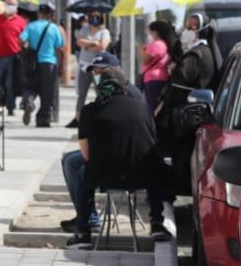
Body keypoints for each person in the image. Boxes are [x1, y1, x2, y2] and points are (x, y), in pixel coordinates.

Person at [65, 68, 174, 249]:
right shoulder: (142, 107)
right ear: (125, 88)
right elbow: (151, 142)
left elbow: (86, 155)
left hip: (104, 176)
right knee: (154, 166)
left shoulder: (89, 111)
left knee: (81, 173)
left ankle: (83, 233)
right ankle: (156, 223)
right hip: (142, 176)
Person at [160, 13, 219, 195]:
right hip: (189, 113)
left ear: (201, 31)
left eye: (192, 28)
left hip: (187, 116)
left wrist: (174, 68)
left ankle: (176, 190)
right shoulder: (195, 52)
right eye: (186, 26)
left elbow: (180, 79)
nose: (186, 31)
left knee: (181, 156)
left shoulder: (197, 54)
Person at [18, 4, 65, 128]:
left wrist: (26, 49)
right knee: (47, 92)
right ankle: (43, 119)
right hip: (49, 63)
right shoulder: (54, 28)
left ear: (38, 14)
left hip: (32, 63)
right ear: (50, 15)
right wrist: (61, 67)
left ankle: (29, 100)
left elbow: (21, 40)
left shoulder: (31, 26)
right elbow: (60, 48)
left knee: (30, 86)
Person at [66, 13, 111, 127]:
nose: (94, 21)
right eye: (92, 18)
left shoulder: (104, 32)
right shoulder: (84, 30)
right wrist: (93, 43)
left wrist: (87, 46)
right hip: (84, 67)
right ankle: (78, 118)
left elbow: (102, 46)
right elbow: (79, 42)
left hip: (97, 68)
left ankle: (102, 118)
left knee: (100, 93)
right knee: (82, 94)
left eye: (97, 18)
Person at [0, 0, 26, 116]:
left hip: (14, 57)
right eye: (8, 4)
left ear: (17, 8)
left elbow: (24, 39)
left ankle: (11, 107)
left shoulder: (21, 21)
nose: (10, 6)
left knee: (11, 84)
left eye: (13, 5)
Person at [140, 19, 179, 115]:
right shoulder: (164, 44)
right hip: (160, 78)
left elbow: (145, 59)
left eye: (150, 31)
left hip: (153, 79)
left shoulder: (157, 44)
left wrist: (141, 50)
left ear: (155, 32)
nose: (149, 34)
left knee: (152, 108)